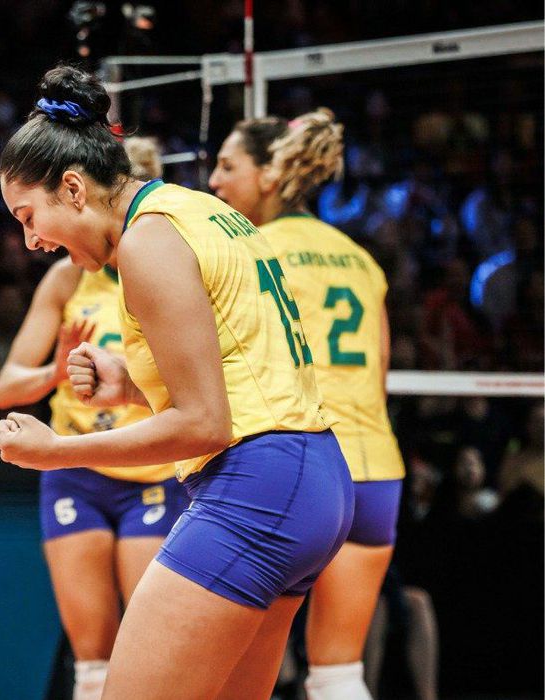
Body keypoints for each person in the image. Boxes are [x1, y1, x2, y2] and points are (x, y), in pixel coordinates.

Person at [0, 65, 352, 700]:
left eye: (29, 216)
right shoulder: (200, 211)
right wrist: (130, 386)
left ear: (73, 189)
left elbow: (204, 423)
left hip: (255, 486)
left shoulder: (147, 241)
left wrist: (55, 453)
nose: (31, 241)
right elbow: (241, 362)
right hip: (315, 477)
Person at [209, 109, 405, 700]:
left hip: (296, 472)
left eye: (227, 166)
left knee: (240, 671)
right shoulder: (361, 259)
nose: (214, 182)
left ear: (270, 175)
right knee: (340, 674)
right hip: (374, 474)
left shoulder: (249, 247)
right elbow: (380, 370)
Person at [0, 136, 186, 700]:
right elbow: (7, 387)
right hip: (75, 469)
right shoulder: (68, 277)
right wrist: (54, 373)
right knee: (92, 662)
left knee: (146, 652)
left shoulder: (157, 264)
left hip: (148, 472)